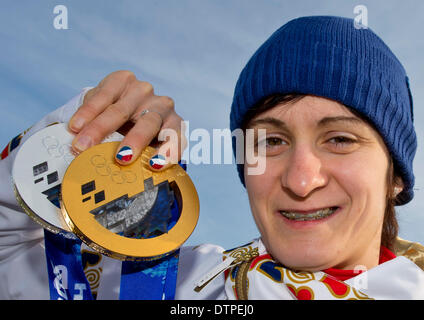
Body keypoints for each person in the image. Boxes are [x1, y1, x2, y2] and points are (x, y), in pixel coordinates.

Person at [1, 15, 424, 300]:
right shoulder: (172, 287)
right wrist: (74, 135)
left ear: (395, 176)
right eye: (271, 142)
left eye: (339, 140)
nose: (301, 180)